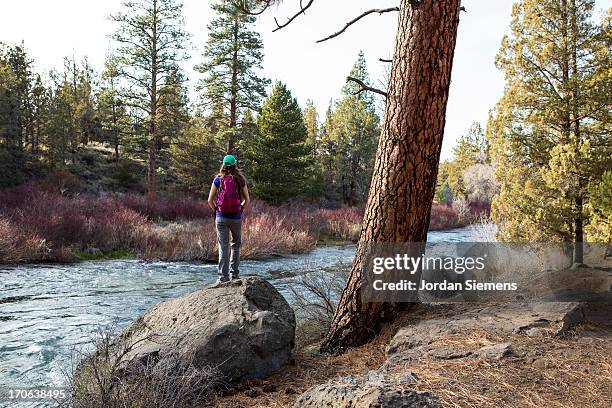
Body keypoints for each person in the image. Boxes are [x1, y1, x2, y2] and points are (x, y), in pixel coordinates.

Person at [208, 155, 250, 283]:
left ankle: (223, 277)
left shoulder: (218, 179)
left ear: (223, 165)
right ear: (234, 165)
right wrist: (240, 209)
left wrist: (217, 210)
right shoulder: (240, 179)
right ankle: (235, 275)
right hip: (236, 217)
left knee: (223, 246)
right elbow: (247, 200)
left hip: (221, 217)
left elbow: (210, 200)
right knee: (236, 245)